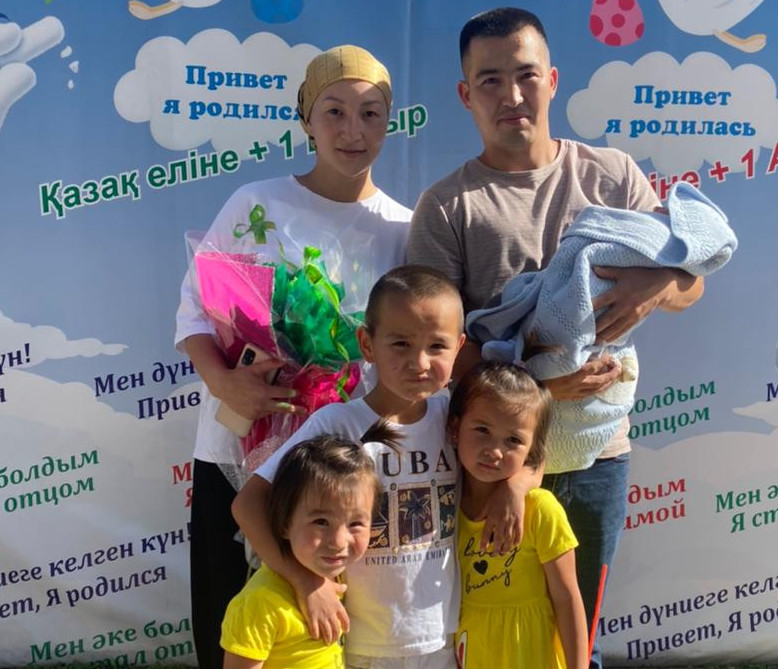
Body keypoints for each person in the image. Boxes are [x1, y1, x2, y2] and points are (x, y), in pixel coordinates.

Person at [406, 8, 704, 668]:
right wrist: (539, 384)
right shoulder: (447, 206)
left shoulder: (612, 175)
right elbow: (438, 349)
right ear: (465, 94)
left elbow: (692, 286)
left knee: (576, 636)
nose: (511, 95)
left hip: (597, 456)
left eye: (525, 75)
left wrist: (655, 285)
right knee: (487, 636)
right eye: (490, 80)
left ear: (553, 80)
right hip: (490, 463)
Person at [174, 44, 411, 669]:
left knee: (330, 626)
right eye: (334, 111)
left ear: (390, 122)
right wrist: (224, 382)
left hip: (337, 465)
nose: (352, 130)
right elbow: (195, 310)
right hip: (236, 448)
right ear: (306, 119)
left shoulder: (404, 229)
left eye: (370, 113)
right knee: (231, 622)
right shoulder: (256, 202)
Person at [233, 265, 467, 669]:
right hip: (358, 643)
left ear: (459, 347)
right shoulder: (336, 423)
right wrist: (304, 580)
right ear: (367, 344)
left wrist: (515, 487)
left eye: (436, 346)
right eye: (401, 344)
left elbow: (522, 454)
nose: (419, 362)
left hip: (442, 637)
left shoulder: (457, 418)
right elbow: (248, 504)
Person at [449, 361, 587, 669]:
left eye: (513, 440)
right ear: (455, 429)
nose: (495, 451)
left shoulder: (541, 509)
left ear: (531, 449)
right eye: (482, 430)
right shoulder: (446, 507)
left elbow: (567, 599)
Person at [221, 431, 382, 669]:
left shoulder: (339, 578)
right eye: (321, 522)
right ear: (285, 523)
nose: (338, 542)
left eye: (355, 524)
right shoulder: (260, 603)